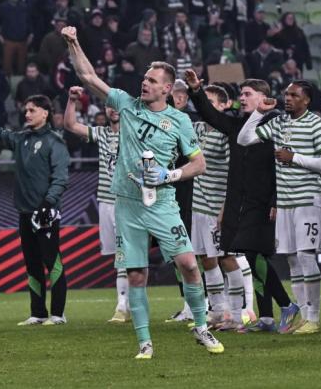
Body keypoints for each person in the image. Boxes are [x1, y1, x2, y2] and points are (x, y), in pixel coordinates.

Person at [61, 26, 222, 358]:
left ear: (167, 88)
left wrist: (169, 174)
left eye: (151, 80)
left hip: (162, 202)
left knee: (189, 264)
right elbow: (88, 76)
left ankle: (201, 326)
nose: (144, 83)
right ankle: (145, 343)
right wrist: (73, 42)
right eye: (144, 78)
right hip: (128, 204)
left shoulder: (179, 121)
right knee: (136, 275)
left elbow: (199, 164)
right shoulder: (126, 103)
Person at [184, 69, 297, 333]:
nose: (242, 98)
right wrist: (196, 91)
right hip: (238, 201)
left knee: (254, 253)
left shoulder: (276, 125)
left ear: (263, 98)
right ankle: (266, 318)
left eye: (247, 94)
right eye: (242, 94)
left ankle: (286, 304)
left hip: (262, 201)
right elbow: (210, 114)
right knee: (251, 254)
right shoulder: (237, 125)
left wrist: (276, 200)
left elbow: (283, 167)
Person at [239, 80, 321, 335]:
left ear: (307, 100)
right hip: (285, 201)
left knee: (305, 256)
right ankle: (303, 316)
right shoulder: (279, 122)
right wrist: (259, 112)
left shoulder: (317, 124)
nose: (288, 98)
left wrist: (295, 158)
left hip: (308, 199)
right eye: (286, 94)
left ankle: (313, 318)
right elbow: (244, 138)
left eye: (294, 95)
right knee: (292, 258)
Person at [0, 94, 70, 326]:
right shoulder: (21, 138)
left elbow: (61, 178)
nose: (27, 114)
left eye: (32, 110)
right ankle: (38, 313)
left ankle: (58, 314)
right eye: (26, 110)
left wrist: (48, 203)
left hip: (46, 212)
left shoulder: (55, 141)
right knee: (32, 264)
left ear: (45, 113)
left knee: (52, 262)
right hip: (24, 212)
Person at [64, 86, 128, 322]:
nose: (113, 110)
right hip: (105, 202)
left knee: (124, 255)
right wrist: (72, 100)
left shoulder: (134, 133)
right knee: (116, 255)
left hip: (127, 202)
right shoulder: (101, 133)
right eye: (109, 106)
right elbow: (71, 125)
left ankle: (123, 306)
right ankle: (126, 304)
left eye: (117, 105)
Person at [188, 85, 250, 330]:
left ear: (224, 105)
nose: (207, 106)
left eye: (212, 102)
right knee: (206, 258)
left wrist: (226, 206)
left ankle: (236, 315)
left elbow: (234, 173)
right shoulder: (196, 128)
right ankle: (217, 312)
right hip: (198, 205)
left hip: (217, 205)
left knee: (226, 258)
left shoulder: (227, 134)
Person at [0, 0, 31, 76]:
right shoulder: (3, 7)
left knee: (22, 66)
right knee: (7, 65)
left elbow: (29, 22)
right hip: (8, 40)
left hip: (22, 40)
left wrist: (31, 34)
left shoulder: (24, 7)